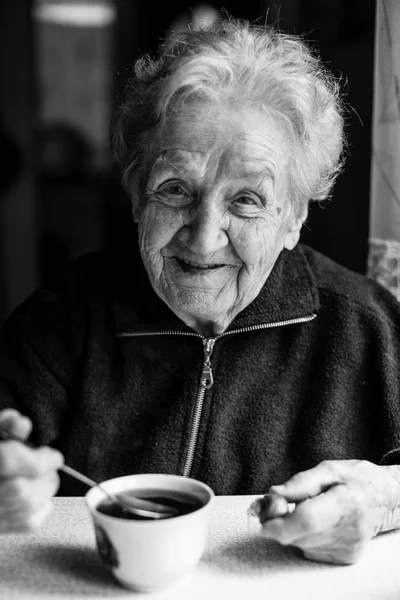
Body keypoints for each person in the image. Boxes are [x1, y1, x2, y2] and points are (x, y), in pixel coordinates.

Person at [0, 18, 400, 566]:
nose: (205, 236)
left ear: (295, 218)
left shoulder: (367, 326)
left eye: (247, 200)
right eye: (175, 189)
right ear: (137, 196)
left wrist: (384, 501)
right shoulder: (66, 314)